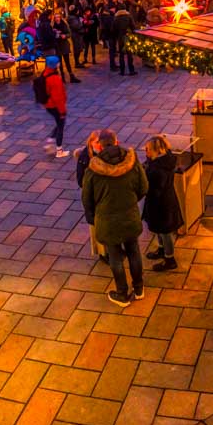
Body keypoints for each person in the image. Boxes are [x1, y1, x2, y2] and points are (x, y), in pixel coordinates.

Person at [81, 130, 148, 306]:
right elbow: (143, 187)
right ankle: (139, 288)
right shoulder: (132, 162)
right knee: (134, 251)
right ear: (116, 141)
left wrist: (96, 212)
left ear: (100, 146)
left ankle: (122, 293)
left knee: (115, 257)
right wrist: (131, 201)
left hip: (107, 221)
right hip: (129, 215)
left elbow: (86, 199)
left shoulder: (93, 170)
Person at [142, 135, 183, 272]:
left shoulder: (157, 170)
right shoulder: (165, 160)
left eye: (147, 149)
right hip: (165, 201)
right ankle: (161, 250)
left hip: (161, 204)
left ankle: (170, 259)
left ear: (156, 151)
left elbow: (153, 188)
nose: (145, 151)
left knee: (165, 232)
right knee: (159, 229)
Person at [36, 55, 68, 156]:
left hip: (48, 105)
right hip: (55, 105)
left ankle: (50, 141)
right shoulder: (55, 78)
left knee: (59, 124)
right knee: (60, 126)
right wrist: (62, 111)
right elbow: (58, 97)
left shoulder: (45, 73)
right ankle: (59, 151)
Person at [52, 8, 80, 83]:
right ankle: (62, 77)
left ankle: (71, 76)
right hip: (57, 46)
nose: (57, 19)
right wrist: (55, 35)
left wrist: (65, 36)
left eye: (58, 17)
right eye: (56, 17)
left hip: (64, 45)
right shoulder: (52, 26)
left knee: (67, 61)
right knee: (60, 62)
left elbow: (69, 33)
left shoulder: (64, 24)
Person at [113, 2, 137, 75]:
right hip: (128, 36)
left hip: (120, 37)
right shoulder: (129, 16)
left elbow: (113, 29)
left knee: (121, 54)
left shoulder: (116, 18)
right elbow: (133, 27)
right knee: (129, 54)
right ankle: (131, 70)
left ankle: (122, 71)